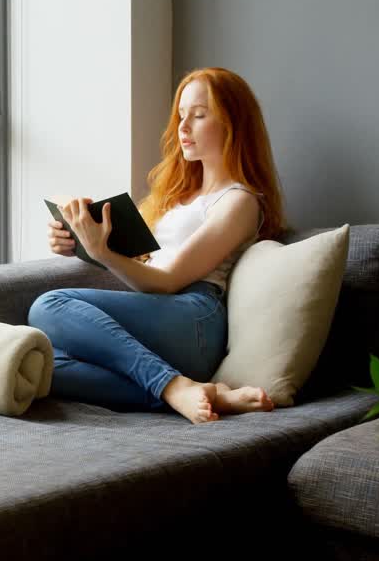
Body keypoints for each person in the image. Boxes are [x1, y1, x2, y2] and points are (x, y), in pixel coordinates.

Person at [28, 67, 287, 424]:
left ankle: (173, 387)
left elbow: (166, 280)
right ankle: (201, 393)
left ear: (233, 123)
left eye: (198, 116)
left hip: (193, 318)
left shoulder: (239, 201)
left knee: (49, 305)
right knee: (38, 365)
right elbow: (143, 271)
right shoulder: (178, 196)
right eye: (181, 116)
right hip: (157, 312)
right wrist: (81, 243)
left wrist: (103, 253)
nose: (183, 127)